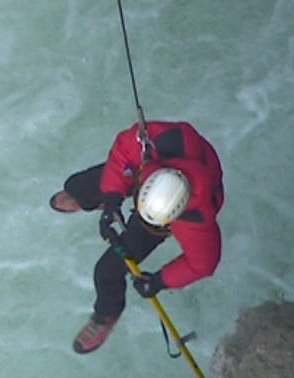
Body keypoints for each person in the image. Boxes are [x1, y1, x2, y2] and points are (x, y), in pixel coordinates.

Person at [50, 120, 224, 354]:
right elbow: (125, 146)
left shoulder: (195, 219)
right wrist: (112, 199)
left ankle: (106, 315)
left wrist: (160, 281)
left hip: (162, 185)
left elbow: (203, 263)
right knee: (78, 185)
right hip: (154, 167)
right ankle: (89, 197)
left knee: (106, 271)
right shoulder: (164, 141)